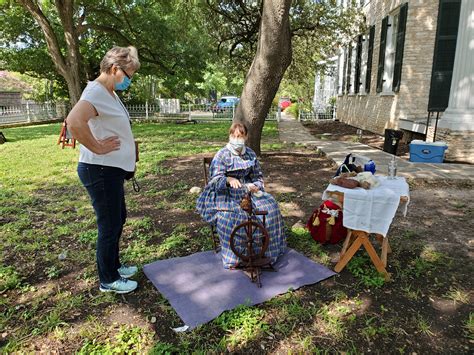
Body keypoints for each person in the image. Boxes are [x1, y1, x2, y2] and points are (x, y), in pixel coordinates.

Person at [66, 46, 140, 294]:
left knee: (118, 218)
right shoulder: (96, 92)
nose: (129, 81)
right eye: (128, 75)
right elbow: (74, 121)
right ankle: (108, 279)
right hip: (99, 169)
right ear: (115, 69)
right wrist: (97, 147)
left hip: (110, 169)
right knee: (109, 224)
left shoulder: (109, 93)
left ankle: (115, 266)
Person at [196, 122, 287, 268]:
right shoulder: (222, 155)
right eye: (234, 135)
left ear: (246, 136)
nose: (237, 138)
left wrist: (255, 186)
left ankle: (266, 252)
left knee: (271, 208)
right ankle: (237, 257)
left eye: (240, 136)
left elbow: (258, 177)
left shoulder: (250, 154)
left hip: (248, 191)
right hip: (225, 193)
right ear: (230, 136)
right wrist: (228, 179)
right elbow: (215, 180)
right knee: (232, 216)